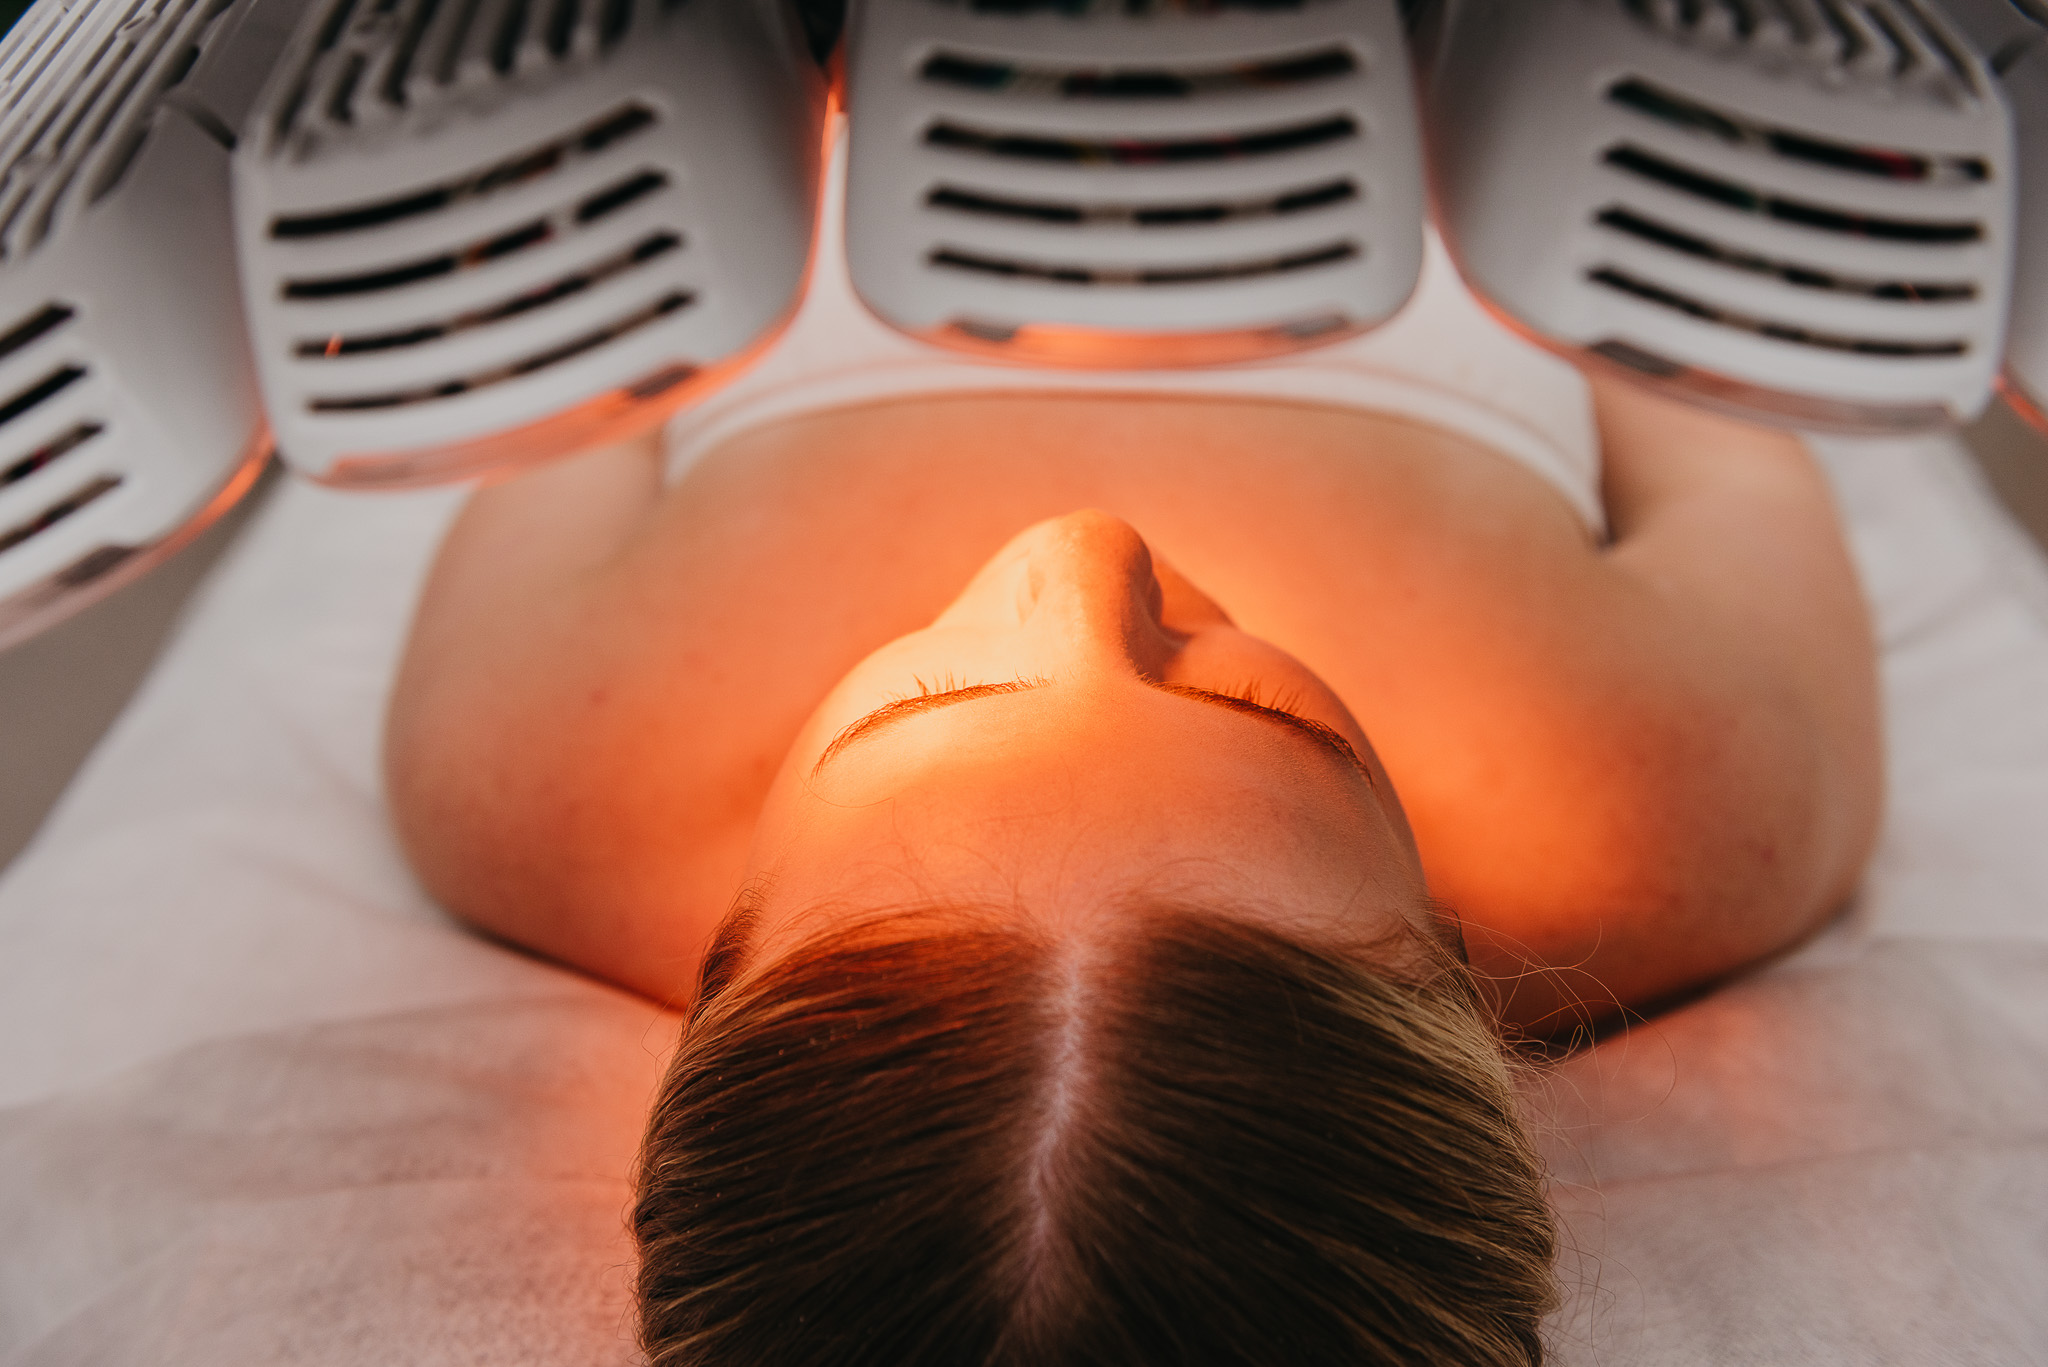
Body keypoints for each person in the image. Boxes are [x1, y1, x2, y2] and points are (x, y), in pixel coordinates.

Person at [382, 171, 1880, 1361]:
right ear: (1454, 979)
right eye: (1272, 715)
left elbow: (571, 260)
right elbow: (1697, 335)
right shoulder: (1690, 793)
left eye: (928, 701)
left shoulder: (526, 760)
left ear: (714, 966)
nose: (1080, 553)